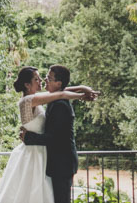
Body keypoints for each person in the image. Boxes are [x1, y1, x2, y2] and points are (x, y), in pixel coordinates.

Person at [0, 66, 97, 203]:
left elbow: (61, 92)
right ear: (27, 85)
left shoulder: (41, 99)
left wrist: (83, 88)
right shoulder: (28, 101)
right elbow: (61, 93)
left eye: (46, 78)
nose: (42, 80)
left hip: (44, 154)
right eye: (37, 79)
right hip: (34, 154)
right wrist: (82, 95)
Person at [22, 65, 94, 203]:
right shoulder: (54, 98)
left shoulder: (60, 105)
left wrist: (29, 137)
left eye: (49, 78)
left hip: (62, 163)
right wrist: (82, 88)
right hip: (57, 162)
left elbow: (55, 139)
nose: (45, 80)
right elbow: (62, 91)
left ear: (58, 83)